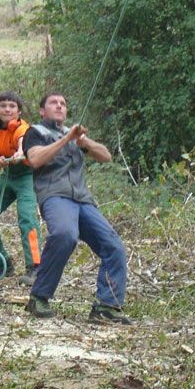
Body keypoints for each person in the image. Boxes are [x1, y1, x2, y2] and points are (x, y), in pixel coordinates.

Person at [23, 92, 130, 324]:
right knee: (64, 235)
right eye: (54, 103)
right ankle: (39, 296)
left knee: (114, 246)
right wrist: (66, 139)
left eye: (63, 103)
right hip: (55, 196)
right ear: (42, 111)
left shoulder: (73, 135)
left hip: (83, 199)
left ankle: (106, 306)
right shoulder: (35, 133)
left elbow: (106, 156)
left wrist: (84, 142)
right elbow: (35, 159)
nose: (60, 106)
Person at [0, 91, 41, 284]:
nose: (7, 109)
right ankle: (2, 264)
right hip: (7, 175)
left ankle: (35, 267)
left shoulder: (24, 128)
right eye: (3, 106)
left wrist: (20, 152)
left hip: (28, 176)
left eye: (12, 106)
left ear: (19, 111)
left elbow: (21, 144)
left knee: (27, 217)